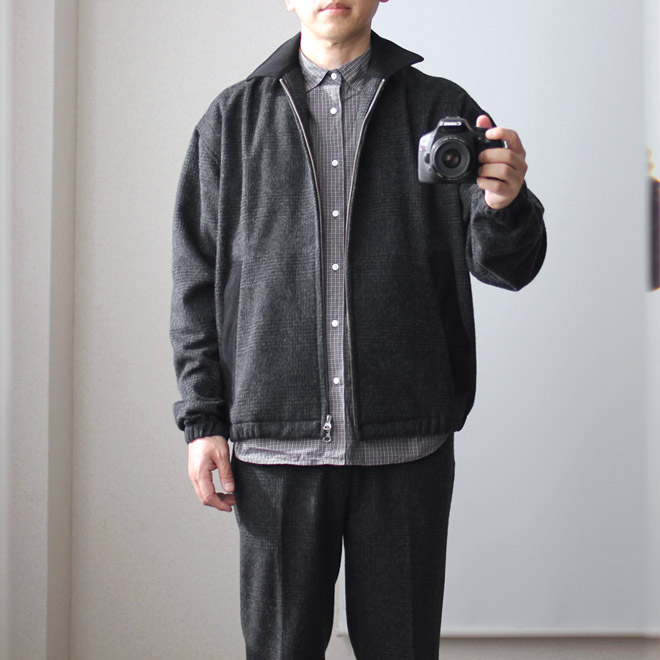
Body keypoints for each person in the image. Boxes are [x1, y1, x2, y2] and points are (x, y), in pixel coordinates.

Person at [170, 1, 546, 658]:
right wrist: (203, 419)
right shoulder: (232, 120)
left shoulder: (441, 110)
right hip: (274, 450)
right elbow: (194, 281)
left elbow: (507, 267)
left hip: (407, 446)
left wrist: (505, 202)